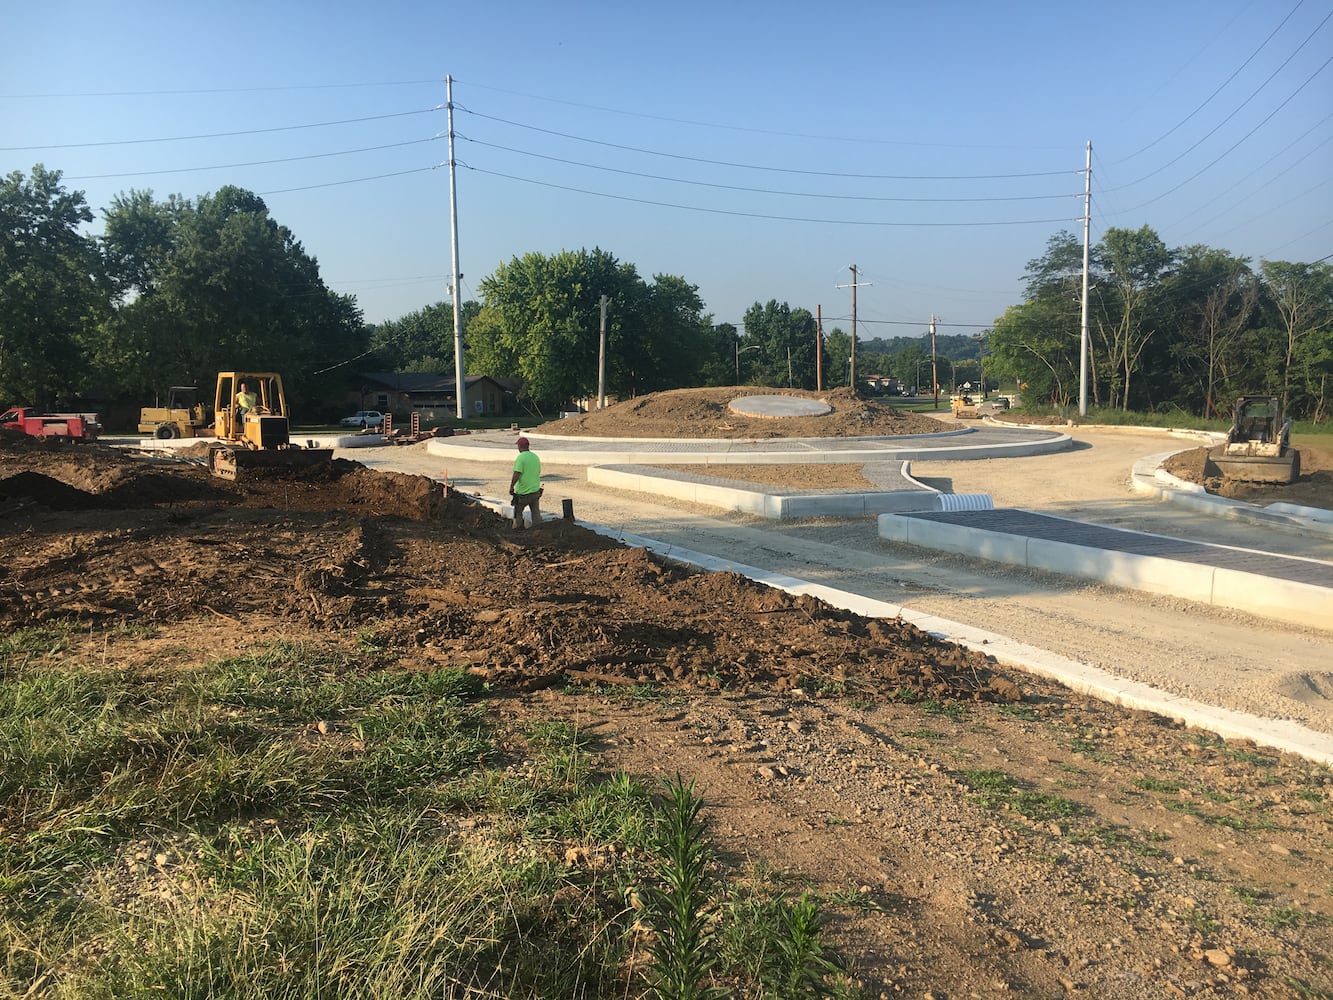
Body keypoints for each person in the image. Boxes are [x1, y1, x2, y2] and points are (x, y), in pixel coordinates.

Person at [509, 436, 542, 529]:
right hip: (535, 491)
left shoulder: (521, 458)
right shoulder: (535, 457)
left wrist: (511, 487)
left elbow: (517, 473)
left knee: (518, 512)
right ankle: (538, 530)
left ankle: (517, 529)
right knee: (535, 513)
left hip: (523, 492)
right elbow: (538, 471)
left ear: (520, 446)